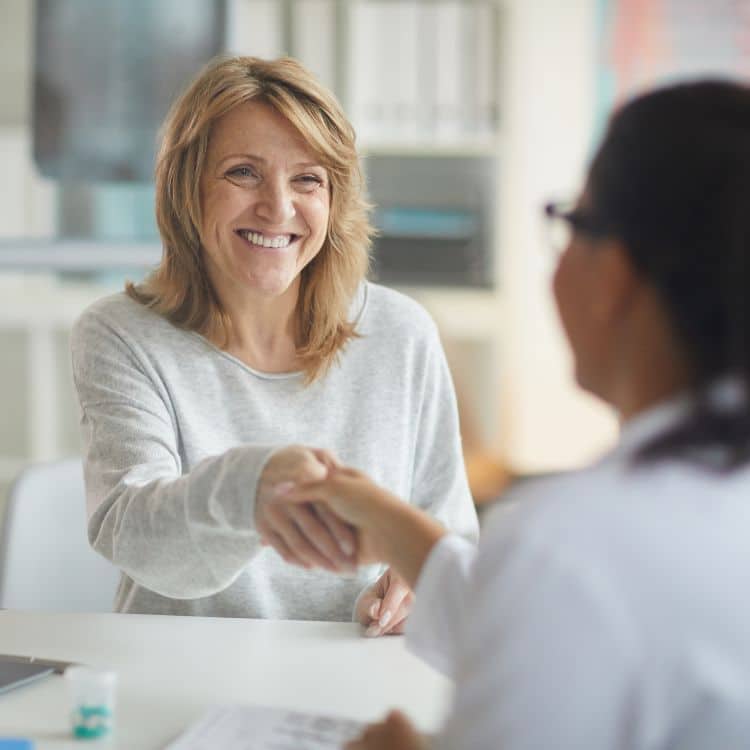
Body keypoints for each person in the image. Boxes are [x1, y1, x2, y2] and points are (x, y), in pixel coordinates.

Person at [280, 79, 750, 748]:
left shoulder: (572, 543)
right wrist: (392, 528)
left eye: (571, 222)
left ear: (613, 276)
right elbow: (556, 624)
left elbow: (563, 604)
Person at [70, 56, 478, 630]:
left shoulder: (402, 333)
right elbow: (137, 539)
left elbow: (451, 540)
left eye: (307, 179)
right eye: (242, 173)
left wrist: (416, 582)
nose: (278, 208)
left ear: (335, 200)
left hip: (353, 679)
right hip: (183, 676)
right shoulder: (120, 335)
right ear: (187, 189)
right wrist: (251, 491)